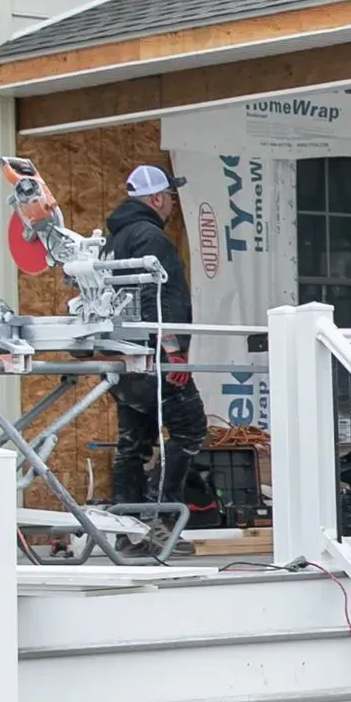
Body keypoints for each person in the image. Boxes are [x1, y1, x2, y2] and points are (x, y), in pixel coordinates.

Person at [105, 165, 208, 510]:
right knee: (190, 429)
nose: (174, 205)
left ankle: (127, 527)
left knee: (133, 444)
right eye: (172, 197)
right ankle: (161, 516)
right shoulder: (151, 237)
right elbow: (156, 300)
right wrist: (173, 352)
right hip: (153, 357)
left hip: (122, 357)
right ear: (157, 198)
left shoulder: (114, 241)